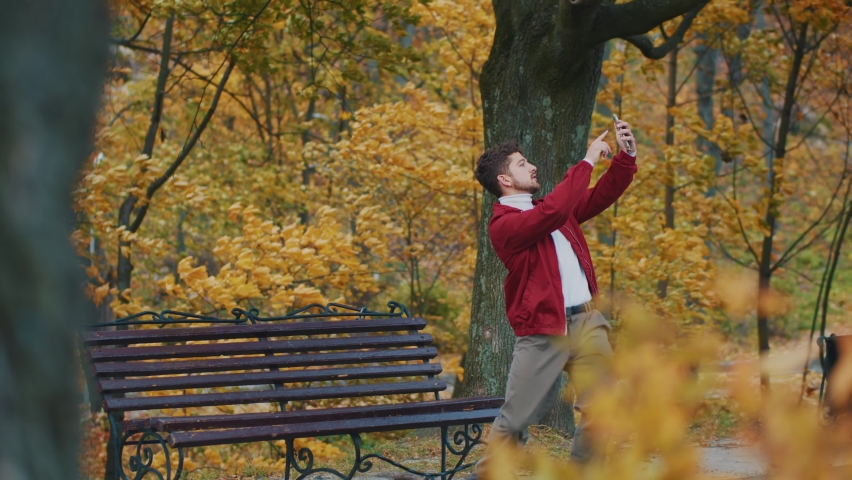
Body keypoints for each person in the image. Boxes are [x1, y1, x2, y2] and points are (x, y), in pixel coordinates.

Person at [468, 120, 638, 477]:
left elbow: (598, 197)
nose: (531, 166)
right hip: (544, 331)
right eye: (521, 164)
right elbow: (556, 211)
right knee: (515, 418)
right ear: (505, 180)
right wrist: (587, 161)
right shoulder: (504, 226)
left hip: (587, 322)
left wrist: (626, 158)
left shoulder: (554, 212)